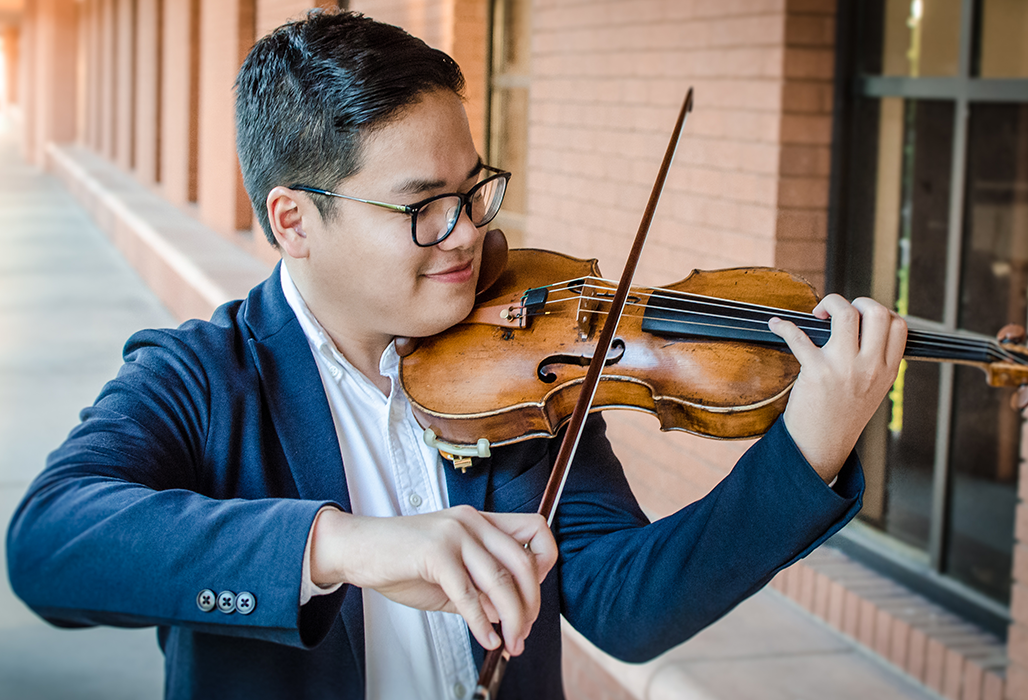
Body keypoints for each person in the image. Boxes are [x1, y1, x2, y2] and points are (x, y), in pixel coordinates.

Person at [6, 10, 906, 700]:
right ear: (294, 220)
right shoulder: (202, 377)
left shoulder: (513, 363)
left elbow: (626, 605)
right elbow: (50, 547)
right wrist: (342, 546)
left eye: (475, 188)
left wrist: (806, 450)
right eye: (424, 206)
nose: (470, 232)